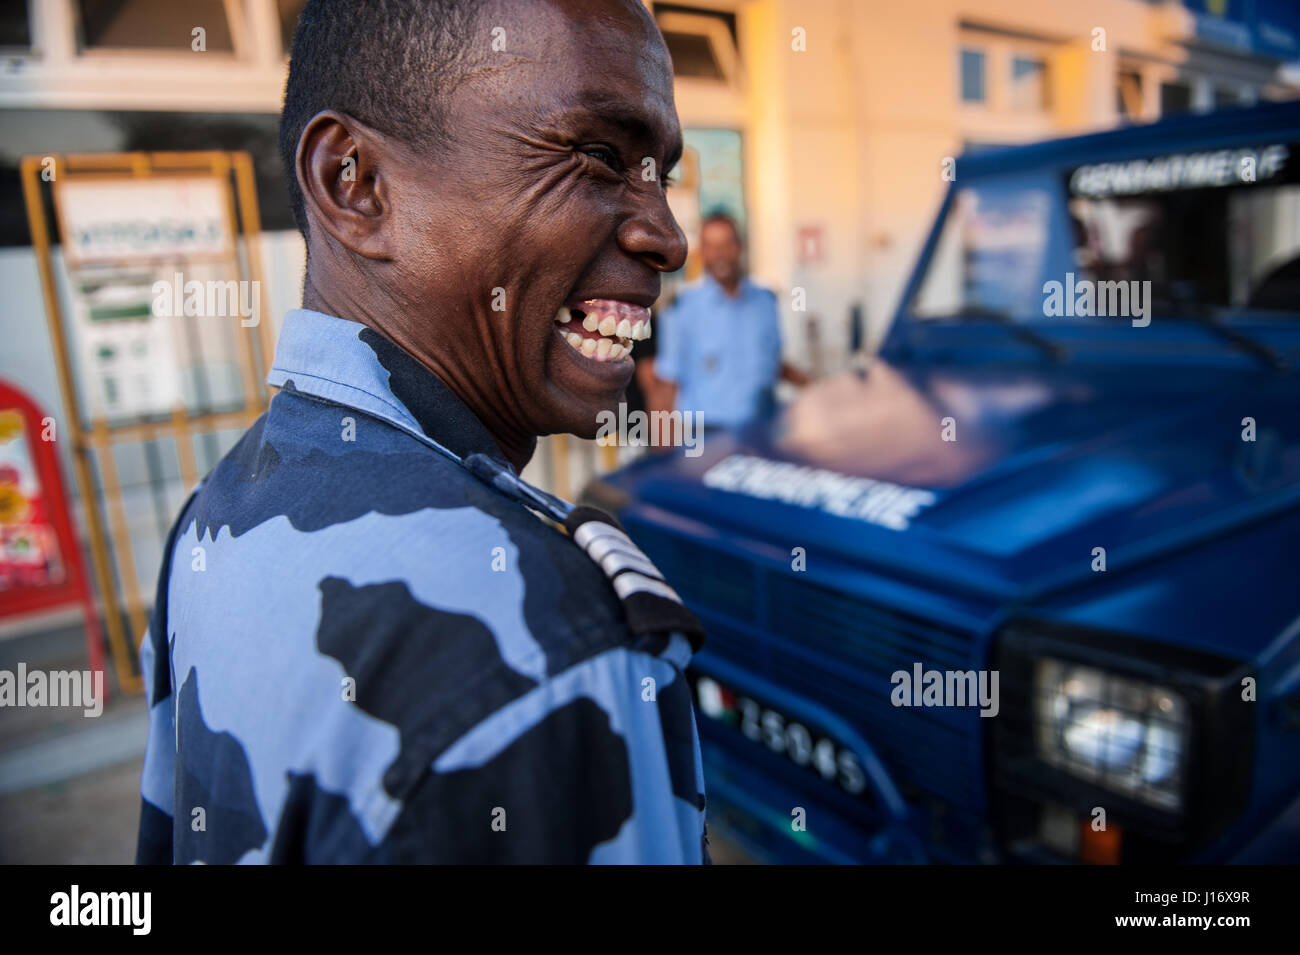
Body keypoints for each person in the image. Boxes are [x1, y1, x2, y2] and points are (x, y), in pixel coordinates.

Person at [135, 0, 710, 864]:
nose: (666, 235)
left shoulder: (213, 519)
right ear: (355, 185)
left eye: (658, 171)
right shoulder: (544, 643)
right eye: (597, 155)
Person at [655, 213, 809, 429]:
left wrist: (816, 386)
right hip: (708, 433)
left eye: (727, 244)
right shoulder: (681, 308)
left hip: (763, 427)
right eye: (711, 246)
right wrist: (664, 452)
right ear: (703, 253)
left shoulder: (765, 301)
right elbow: (667, 383)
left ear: (739, 247)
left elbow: (773, 365)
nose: (720, 254)